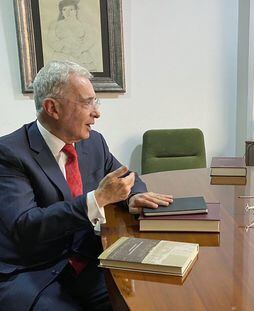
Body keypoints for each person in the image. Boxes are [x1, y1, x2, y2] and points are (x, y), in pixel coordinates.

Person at [0, 61, 173, 310]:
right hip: (34, 272)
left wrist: (133, 196)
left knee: (145, 300)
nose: (97, 112)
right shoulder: (10, 153)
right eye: (86, 102)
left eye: (96, 102)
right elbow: (26, 226)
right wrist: (97, 199)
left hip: (88, 260)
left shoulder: (93, 143)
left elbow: (124, 176)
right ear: (52, 108)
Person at [47, 0, 97, 70]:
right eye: (64, 10)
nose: (67, 13)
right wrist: (64, 49)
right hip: (61, 55)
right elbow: (51, 40)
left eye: (71, 9)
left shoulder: (84, 25)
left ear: (76, 11)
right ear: (61, 12)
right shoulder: (55, 25)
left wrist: (80, 50)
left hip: (80, 55)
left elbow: (90, 40)